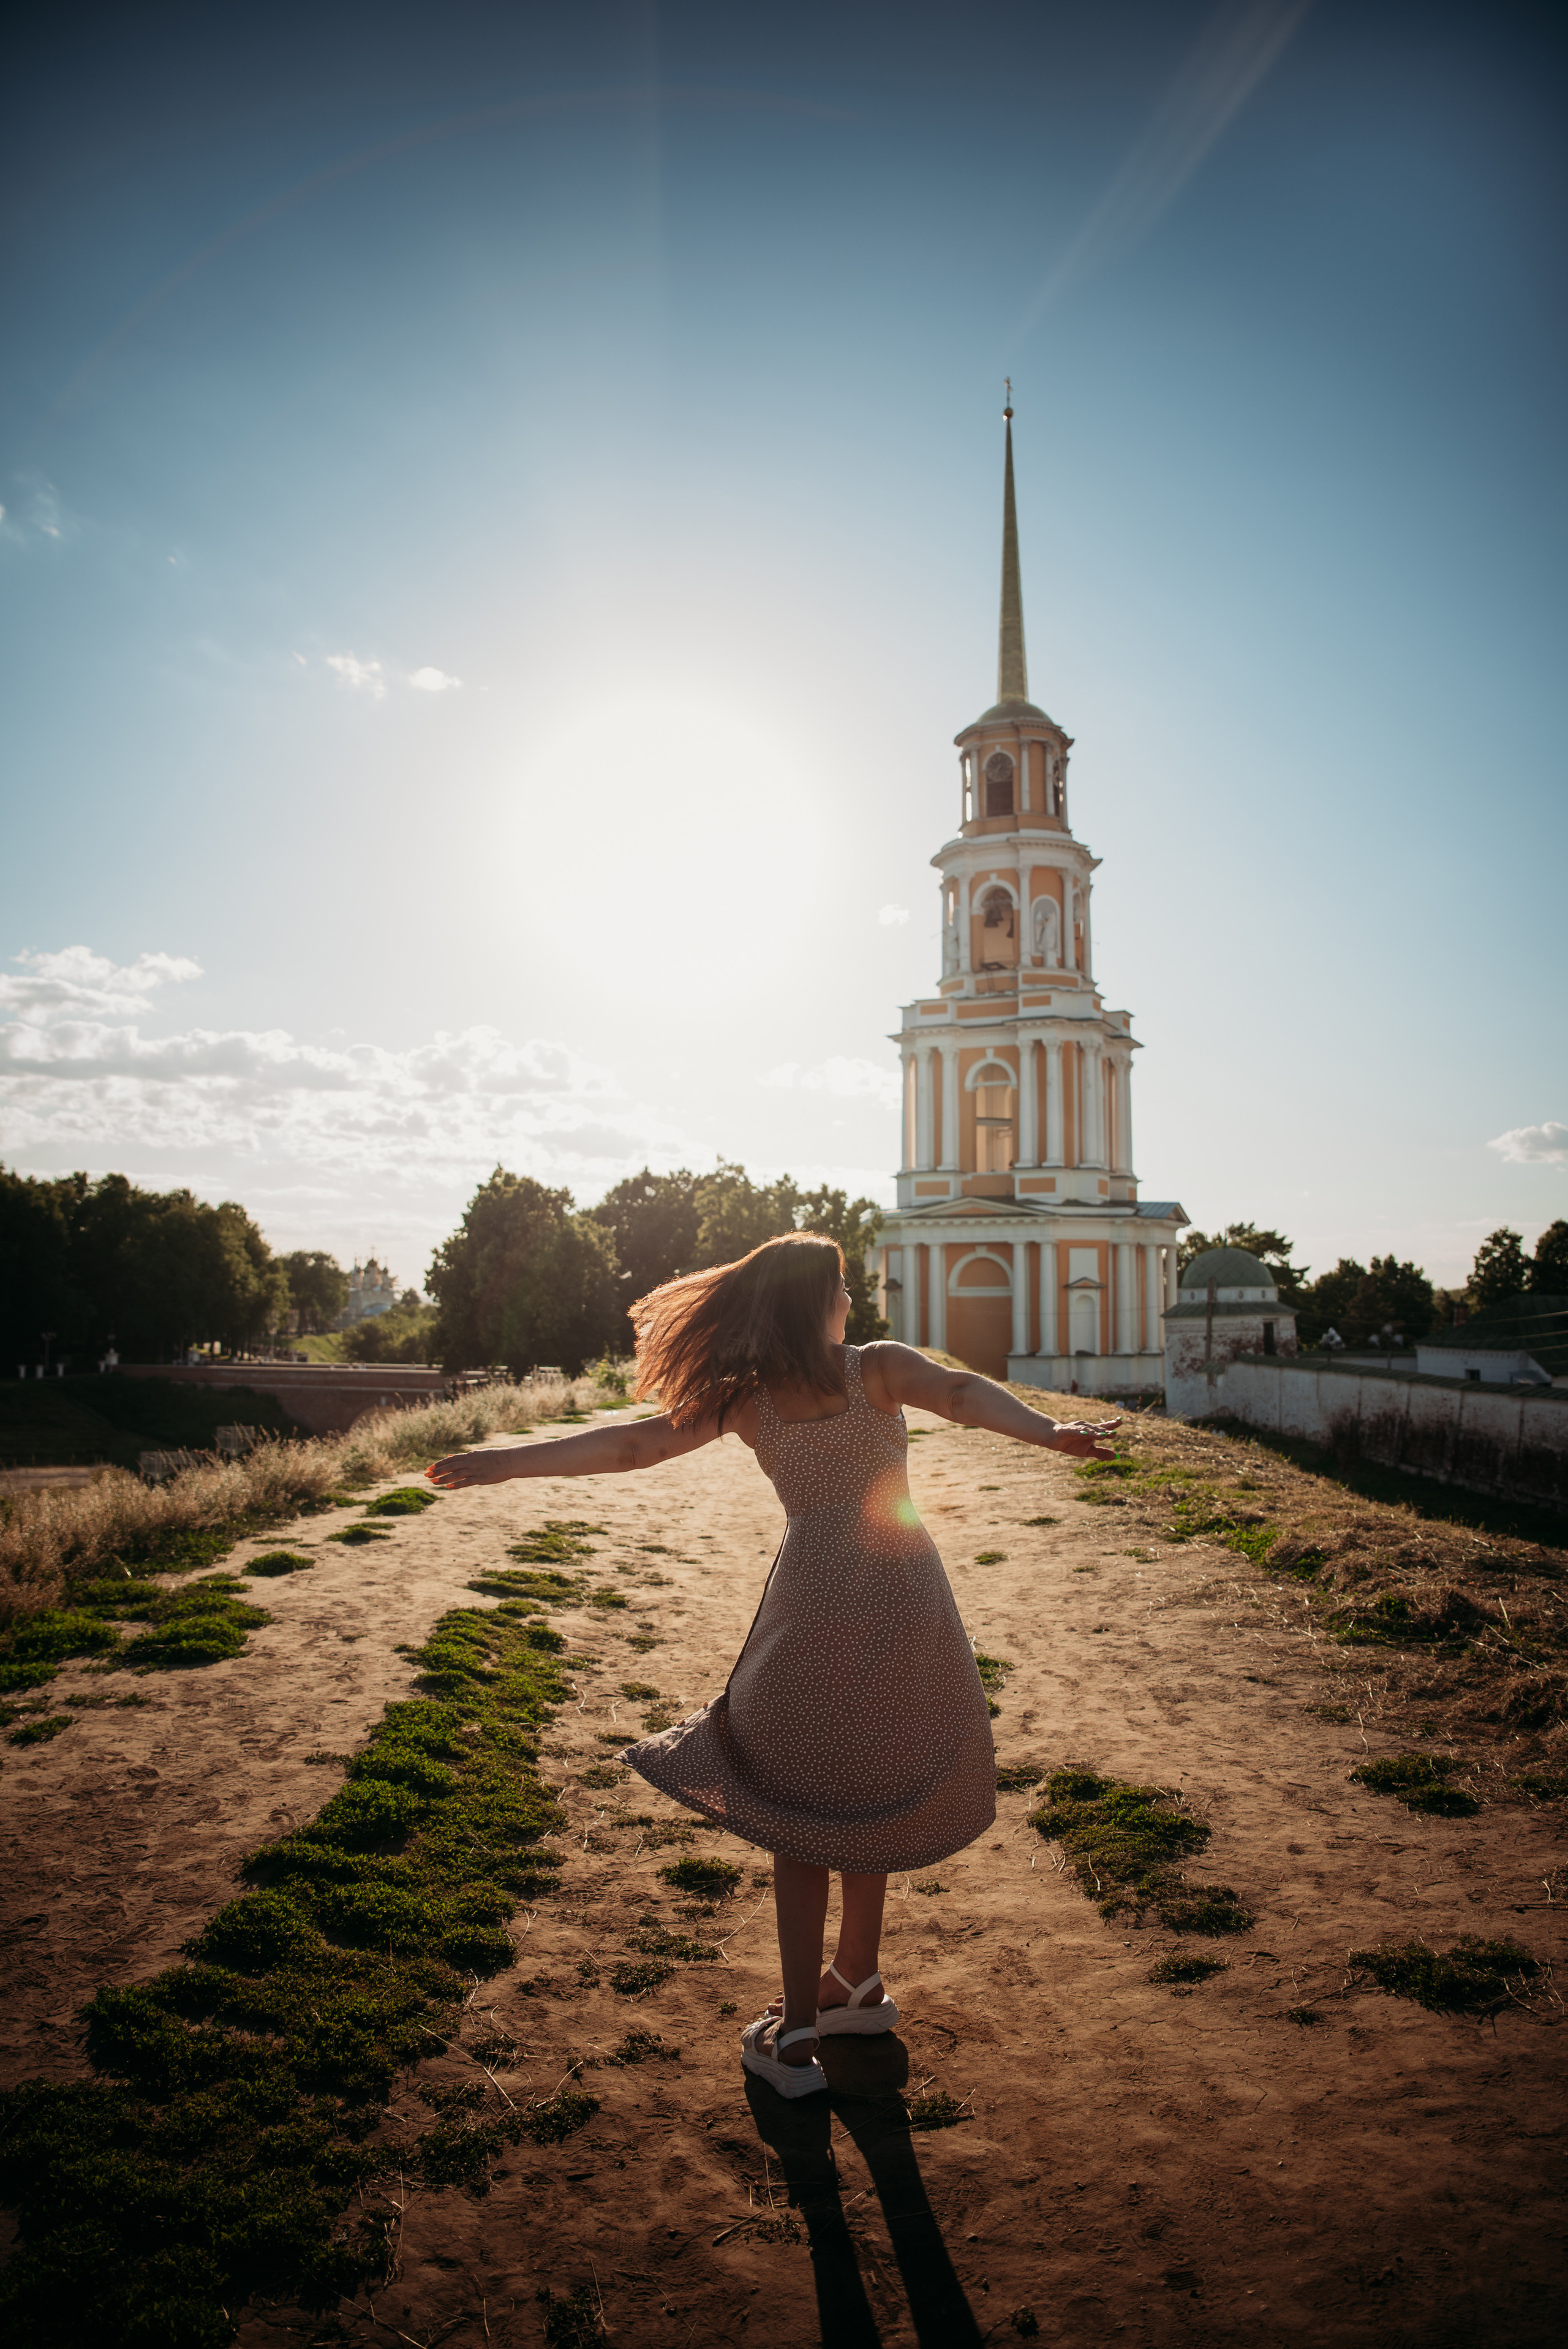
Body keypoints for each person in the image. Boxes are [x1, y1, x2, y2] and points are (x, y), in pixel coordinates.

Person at [426, 1233, 1118, 2100]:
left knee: (800, 1812)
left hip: (814, 1610)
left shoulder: (749, 1401)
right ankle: (855, 1982)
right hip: (908, 1598)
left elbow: (632, 1448)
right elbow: (961, 1392)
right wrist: (1050, 1432)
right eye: (841, 1286)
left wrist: (505, 1463)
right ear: (816, 1300)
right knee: (872, 1780)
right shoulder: (878, 1368)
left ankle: (799, 2034)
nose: (852, 1302)